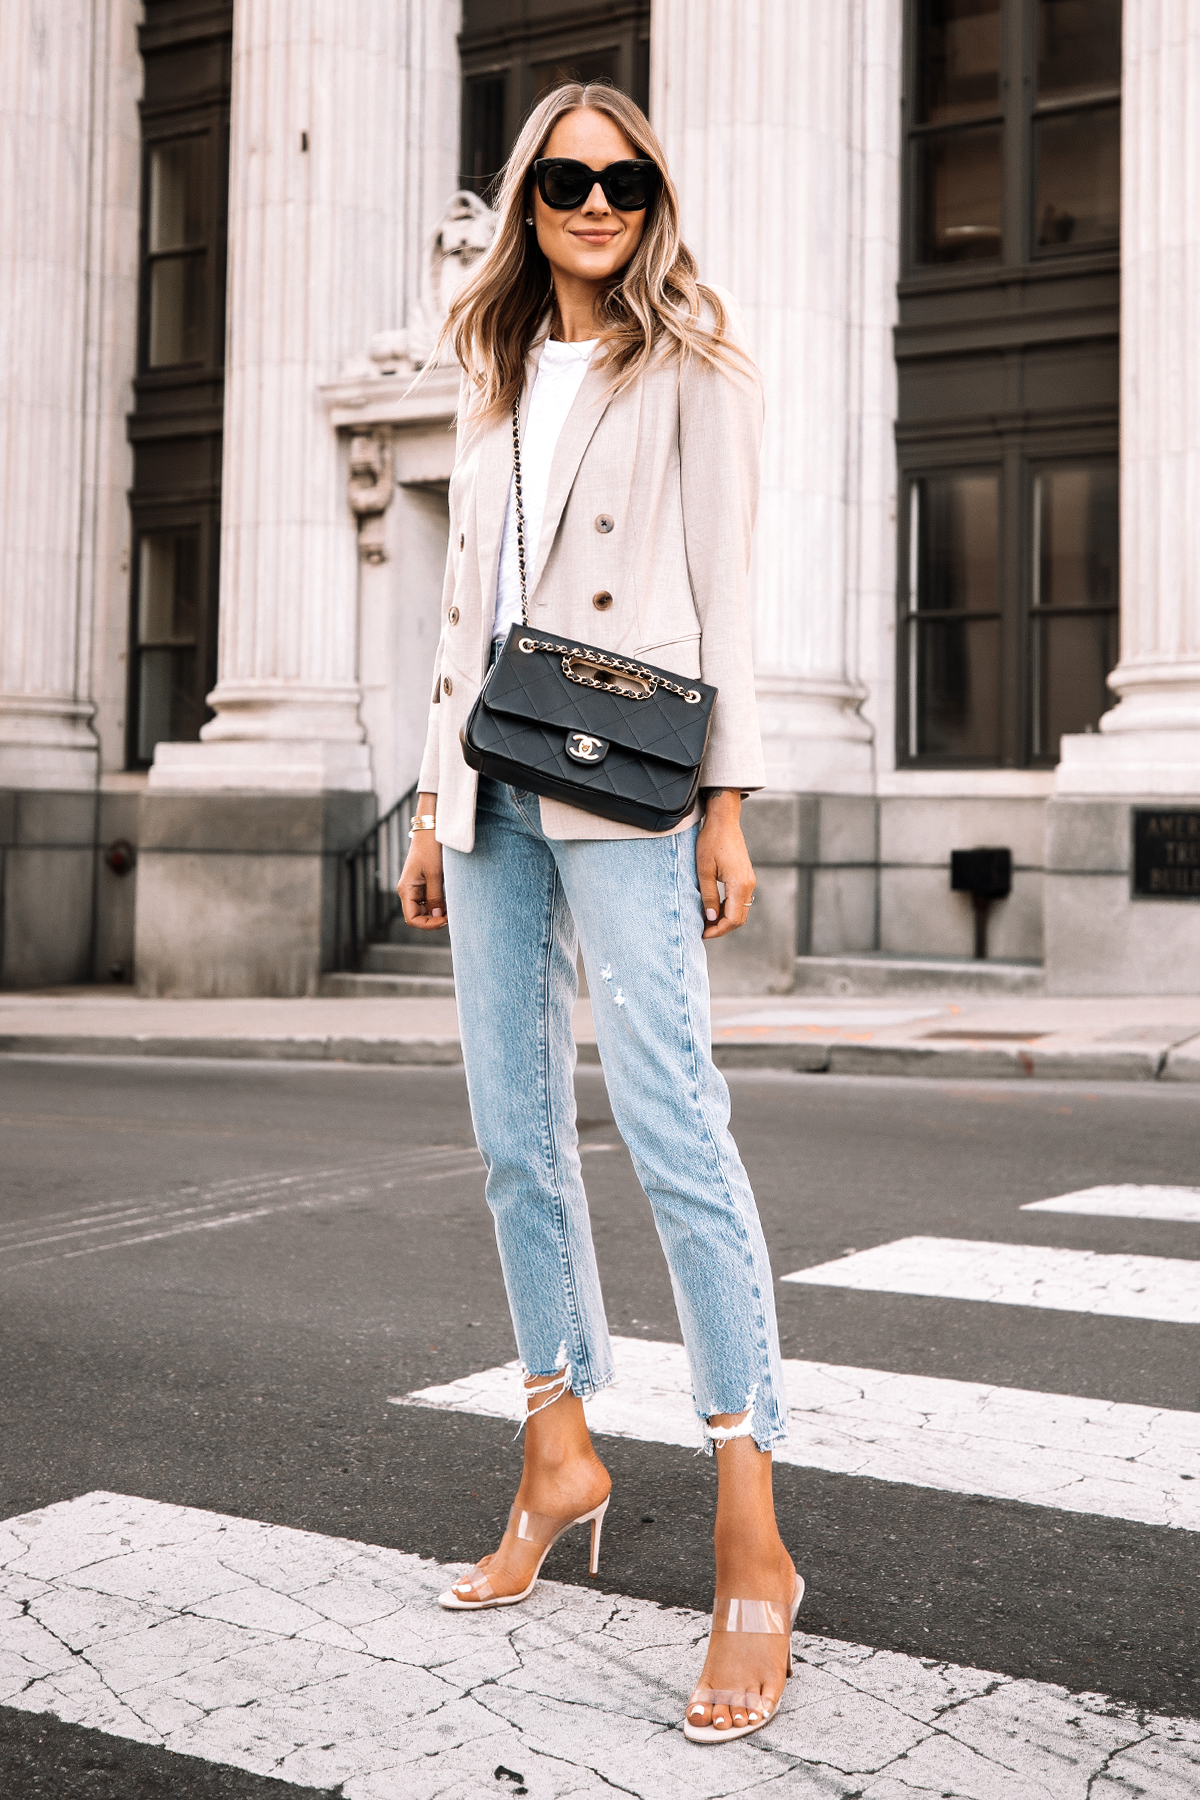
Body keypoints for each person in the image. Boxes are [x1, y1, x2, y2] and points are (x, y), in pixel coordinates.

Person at [398, 80, 801, 1744]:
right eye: (565, 177)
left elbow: (725, 590)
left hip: (630, 788)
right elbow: (464, 608)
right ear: (529, 198)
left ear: (653, 194)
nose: (594, 201)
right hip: (490, 782)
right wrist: (432, 800)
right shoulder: (492, 380)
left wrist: (726, 802)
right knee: (512, 1136)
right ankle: (557, 1446)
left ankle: (753, 1534)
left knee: (675, 1128)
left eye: (623, 177)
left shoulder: (691, 368)